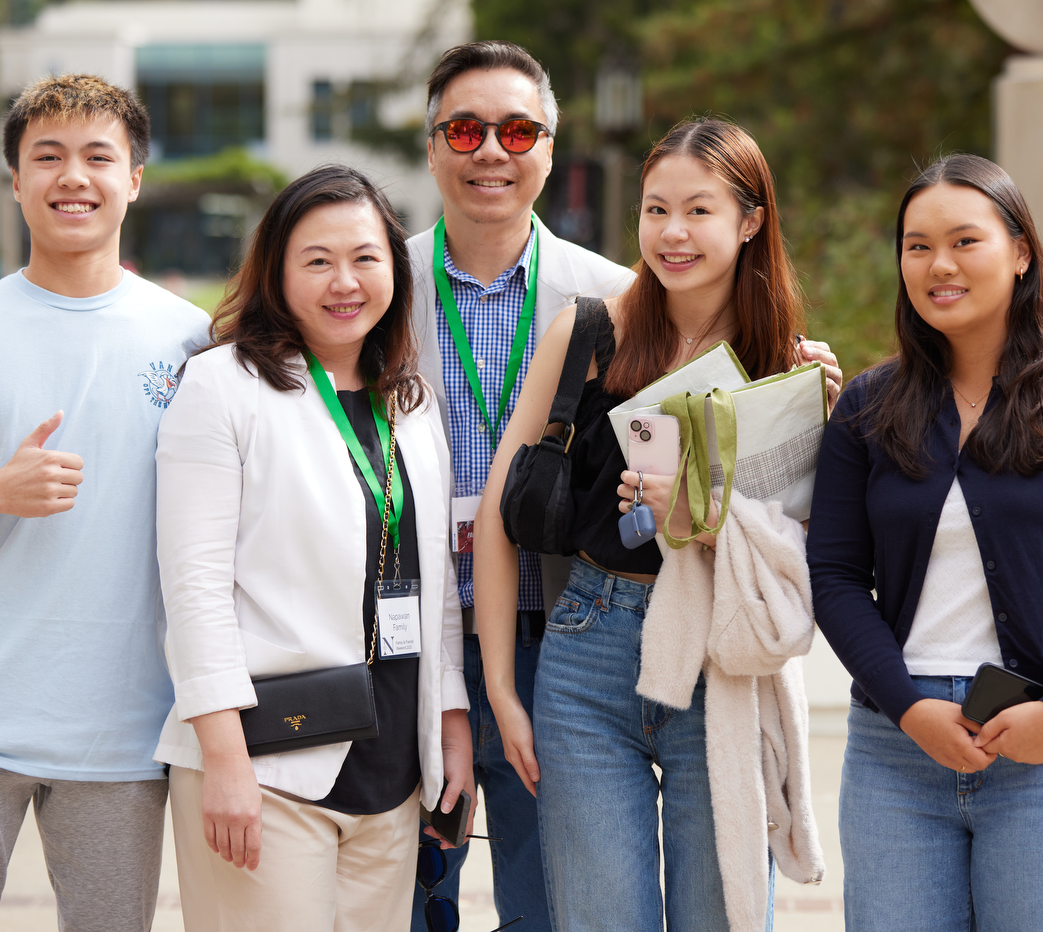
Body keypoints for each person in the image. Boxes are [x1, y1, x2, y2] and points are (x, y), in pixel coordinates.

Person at [475, 118, 842, 932]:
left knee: (720, 914)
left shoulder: (790, 366)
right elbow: (502, 521)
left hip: (722, 656)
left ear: (751, 220)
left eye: (699, 211)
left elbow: (812, 552)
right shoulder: (588, 333)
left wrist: (831, 416)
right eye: (655, 210)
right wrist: (503, 688)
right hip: (588, 654)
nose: (672, 234)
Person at [0, 74, 210, 932]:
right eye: (47, 157)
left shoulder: (192, 338)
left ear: (134, 177)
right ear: (15, 179)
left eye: (99, 156)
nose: (74, 177)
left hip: (125, 730)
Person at [805, 153, 1043, 932]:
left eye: (965, 241)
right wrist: (908, 710)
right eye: (916, 245)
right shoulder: (868, 407)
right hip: (895, 754)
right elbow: (834, 577)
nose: (939, 265)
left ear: (1021, 251)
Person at [152, 164, 472, 932]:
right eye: (317, 260)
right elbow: (192, 588)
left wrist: (451, 724)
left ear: (395, 266)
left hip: (393, 766)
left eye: (365, 257)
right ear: (277, 271)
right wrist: (225, 760)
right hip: (269, 764)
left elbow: (433, 577)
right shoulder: (222, 386)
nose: (345, 281)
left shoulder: (411, 400)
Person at [406, 40, 632, 932]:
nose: (490, 152)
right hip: (402, 640)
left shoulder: (615, 299)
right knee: (413, 900)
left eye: (516, 129)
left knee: (549, 906)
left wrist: (801, 367)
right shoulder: (371, 286)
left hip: (555, 641)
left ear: (549, 145)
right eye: (464, 130)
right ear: (433, 148)